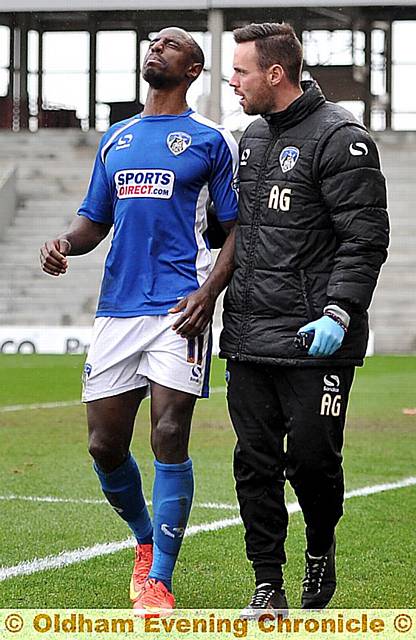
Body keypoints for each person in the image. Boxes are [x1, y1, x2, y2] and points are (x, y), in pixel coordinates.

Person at [40, 27, 238, 614]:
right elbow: (92, 221)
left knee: (169, 433)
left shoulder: (210, 141)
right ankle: (146, 541)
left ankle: (160, 580)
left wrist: (209, 293)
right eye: (152, 42)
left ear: (194, 68)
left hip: (180, 309)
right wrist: (64, 244)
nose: (156, 46)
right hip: (116, 310)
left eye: (171, 44)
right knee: (104, 444)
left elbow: (237, 230)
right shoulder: (117, 139)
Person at [220, 22, 389, 614]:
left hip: (316, 340)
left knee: (314, 463)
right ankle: (267, 583)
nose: (231, 81)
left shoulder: (343, 138)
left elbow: (364, 240)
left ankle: (321, 544)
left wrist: (340, 312)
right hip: (248, 336)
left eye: (240, 71)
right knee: (254, 465)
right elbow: (240, 234)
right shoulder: (252, 138)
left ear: (275, 73)